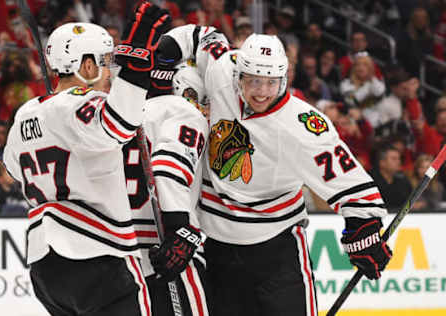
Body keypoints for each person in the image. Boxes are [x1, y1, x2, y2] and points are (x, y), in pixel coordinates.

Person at [159, 25, 392, 316]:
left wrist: (364, 231)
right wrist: (164, 52)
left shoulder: (303, 127)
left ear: (284, 78)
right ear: (239, 74)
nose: (262, 92)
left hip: (276, 251)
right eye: (254, 81)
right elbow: (202, 35)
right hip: (218, 247)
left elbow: (355, 189)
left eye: (271, 82)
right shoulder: (222, 70)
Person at [2, 3, 171, 316]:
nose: (110, 72)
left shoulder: (26, 113)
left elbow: (14, 167)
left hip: (46, 267)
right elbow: (120, 123)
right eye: (106, 63)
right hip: (98, 256)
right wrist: (138, 57)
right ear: (87, 67)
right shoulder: (83, 103)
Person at [124, 63, 210, 316]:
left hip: (122, 252)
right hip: (166, 244)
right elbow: (167, 172)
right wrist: (183, 231)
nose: (206, 111)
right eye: (202, 101)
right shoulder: (181, 112)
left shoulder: (121, 114)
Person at [369, 145, 412, 211]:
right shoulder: (370, 181)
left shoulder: (403, 181)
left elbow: (409, 202)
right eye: (394, 159)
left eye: (399, 159)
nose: (399, 162)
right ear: (382, 162)